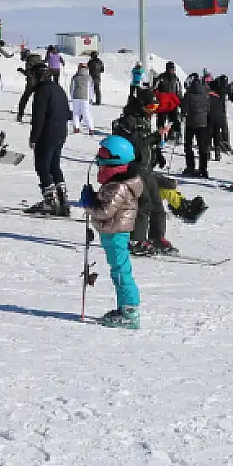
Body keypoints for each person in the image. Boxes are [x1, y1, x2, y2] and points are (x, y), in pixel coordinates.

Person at [81, 136, 142, 329]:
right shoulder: (115, 183)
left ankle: (130, 311)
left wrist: (89, 203)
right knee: (118, 270)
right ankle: (123, 307)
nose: (99, 164)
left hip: (116, 233)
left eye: (103, 158)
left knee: (121, 272)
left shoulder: (119, 186)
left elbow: (103, 211)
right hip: (112, 232)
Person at [25, 62, 72, 216]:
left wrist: (34, 138)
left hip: (47, 134)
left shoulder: (42, 91)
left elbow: (39, 117)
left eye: (31, 76)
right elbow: (68, 113)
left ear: (37, 76)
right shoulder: (58, 88)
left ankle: (50, 201)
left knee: (42, 166)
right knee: (54, 165)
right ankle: (62, 199)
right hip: (60, 133)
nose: (30, 80)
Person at [180, 73, 211, 176]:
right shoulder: (205, 94)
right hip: (203, 124)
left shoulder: (188, 95)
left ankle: (190, 167)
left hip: (190, 123)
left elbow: (184, 109)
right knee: (202, 147)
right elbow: (208, 108)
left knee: (188, 145)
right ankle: (203, 169)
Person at [69, 61, 96, 136]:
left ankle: (76, 127)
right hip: (85, 97)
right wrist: (91, 98)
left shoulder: (75, 77)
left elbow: (72, 88)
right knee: (86, 112)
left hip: (76, 96)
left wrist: (71, 96)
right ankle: (91, 128)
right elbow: (91, 89)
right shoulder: (89, 77)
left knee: (76, 113)